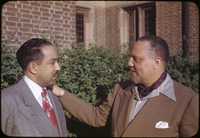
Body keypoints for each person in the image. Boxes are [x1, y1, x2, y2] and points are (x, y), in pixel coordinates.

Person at [51, 35, 199, 137]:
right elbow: (97, 117)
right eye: (130, 57)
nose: (129, 63)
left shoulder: (187, 100)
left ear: (157, 62)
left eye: (136, 59)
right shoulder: (121, 89)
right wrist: (58, 92)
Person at [1, 38, 68, 137]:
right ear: (33, 68)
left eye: (58, 61)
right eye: (52, 62)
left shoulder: (53, 96)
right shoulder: (6, 101)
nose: (58, 67)